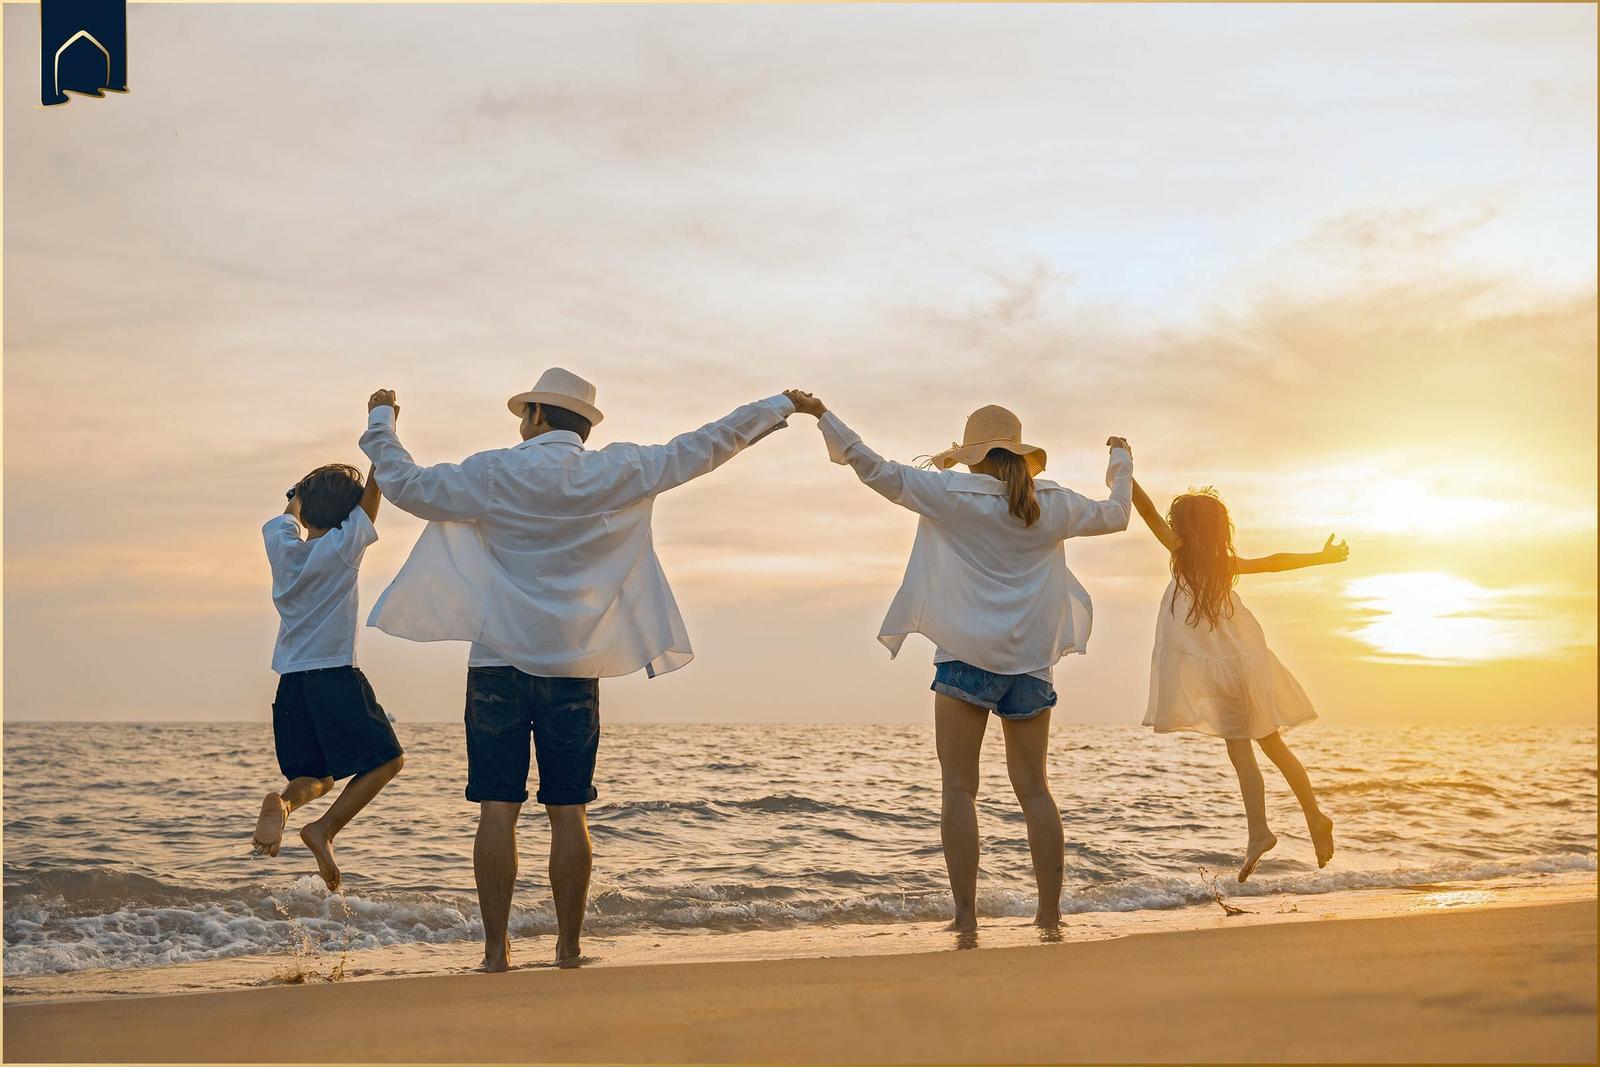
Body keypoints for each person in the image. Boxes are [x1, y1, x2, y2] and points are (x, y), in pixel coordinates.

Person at [359, 369, 798, 970]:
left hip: (498, 663)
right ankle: (568, 948)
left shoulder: (493, 472)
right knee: (569, 810)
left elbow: (405, 484)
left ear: (537, 415)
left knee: (497, 808)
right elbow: (705, 445)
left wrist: (381, 420)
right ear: (584, 425)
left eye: (524, 412)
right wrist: (777, 406)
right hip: (573, 665)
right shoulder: (617, 469)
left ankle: (496, 953)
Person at [783, 390, 1131, 932]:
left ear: (975, 454)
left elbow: (874, 469)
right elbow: (1116, 515)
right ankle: (1049, 914)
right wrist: (1121, 459)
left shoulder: (951, 494)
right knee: (1035, 789)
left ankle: (966, 918)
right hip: (1030, 666)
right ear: (1020, 454)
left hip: (965, 659)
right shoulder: (1053, 502)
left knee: (958, 789)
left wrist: (824, 416)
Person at [1130, 479, 1345, 881]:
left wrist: (1123, 471)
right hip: (1247, 664)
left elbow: (1146, 512)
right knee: (1273, 746)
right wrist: (1322, 557)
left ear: (1185, 529)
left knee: (1241, 751)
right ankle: (1313, 816)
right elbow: (1276, 561)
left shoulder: (1181, 554)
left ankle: (1261, 831)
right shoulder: (1225, 565)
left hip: (1224, 669)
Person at [253, 462, 405, 892]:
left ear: (303, 506)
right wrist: (382, 423)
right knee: (389, 760)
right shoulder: (342, 548)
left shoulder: (282, 545)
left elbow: (286, 517)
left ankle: (283, 806)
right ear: (348, 513)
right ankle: (324, 829)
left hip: (292, 685)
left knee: (316, 777)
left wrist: (295, 499)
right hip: (334, 677)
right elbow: (373, 495)